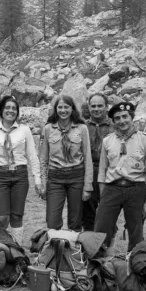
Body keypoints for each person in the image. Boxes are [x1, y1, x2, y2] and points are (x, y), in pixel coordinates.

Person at [0, 95, 42, 246]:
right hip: (0, 175)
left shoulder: (25, 130)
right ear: (1, 110)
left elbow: (32, 156)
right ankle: (3, 245)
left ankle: (17, 249)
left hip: (20, 175)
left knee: (16, 216)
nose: (11, 111)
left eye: (14, 108)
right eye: (7, 108)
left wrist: (38, 180)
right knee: (2, 218)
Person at [94, 102, 146, 252]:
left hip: (136, 188)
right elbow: (102, 171)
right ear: (113, 122)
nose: (122, 121)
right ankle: (101, 264)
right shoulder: (108, 141)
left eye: (124, 117)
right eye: (117, 118)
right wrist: (104, 196)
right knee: (101, 229)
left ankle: (134, 264)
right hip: (112, 187)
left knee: (135, 232)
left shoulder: (145, 140)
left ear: (131, 117)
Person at [39, 95, 93, 231]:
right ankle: (55, 249)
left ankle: (72, 250)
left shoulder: (81, 128)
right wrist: (43, 183)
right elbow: (43, 159)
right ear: (55, 109)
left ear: (72, 109)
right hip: (55, 178)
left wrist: (87, 186)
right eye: (60, 107)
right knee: (52, 221)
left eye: (66, 107)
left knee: (75, 221)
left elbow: (87, 158)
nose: (63, 110)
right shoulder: (48, 129)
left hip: (76, 177)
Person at [82, 93, 113, 231]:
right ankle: (89, 244)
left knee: (108, 210)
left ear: (106, 107)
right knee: (87, 211)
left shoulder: (114, 126)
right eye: (93, 106)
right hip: (88, 172)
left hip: (109, 173)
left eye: (100, 105)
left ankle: (107, 244)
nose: (96, 109)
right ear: (89, 107)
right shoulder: (82, 126)